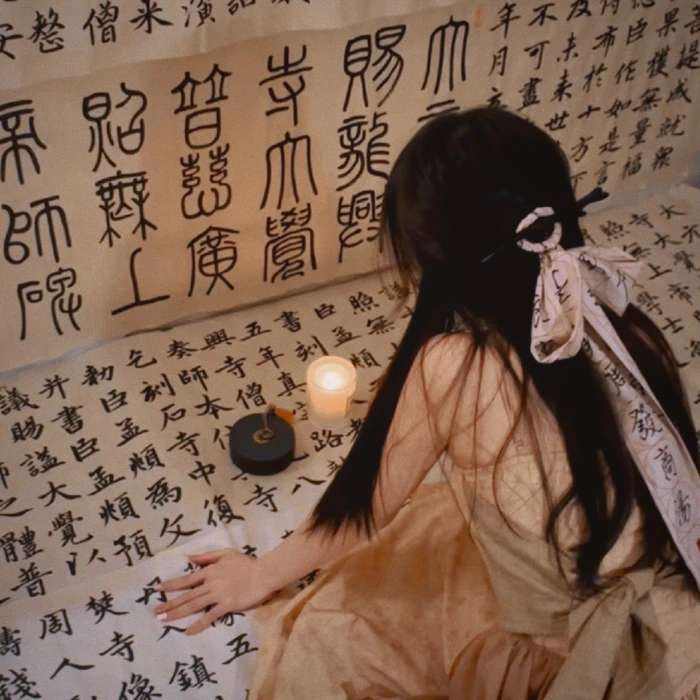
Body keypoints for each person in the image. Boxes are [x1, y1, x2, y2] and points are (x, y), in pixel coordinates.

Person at [151, 106, 700, 699]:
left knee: (333, 633)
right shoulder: (627, 321)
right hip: (672, 601)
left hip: (575, 650)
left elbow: (364, 510)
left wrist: (259, 574)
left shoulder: (455, 366)